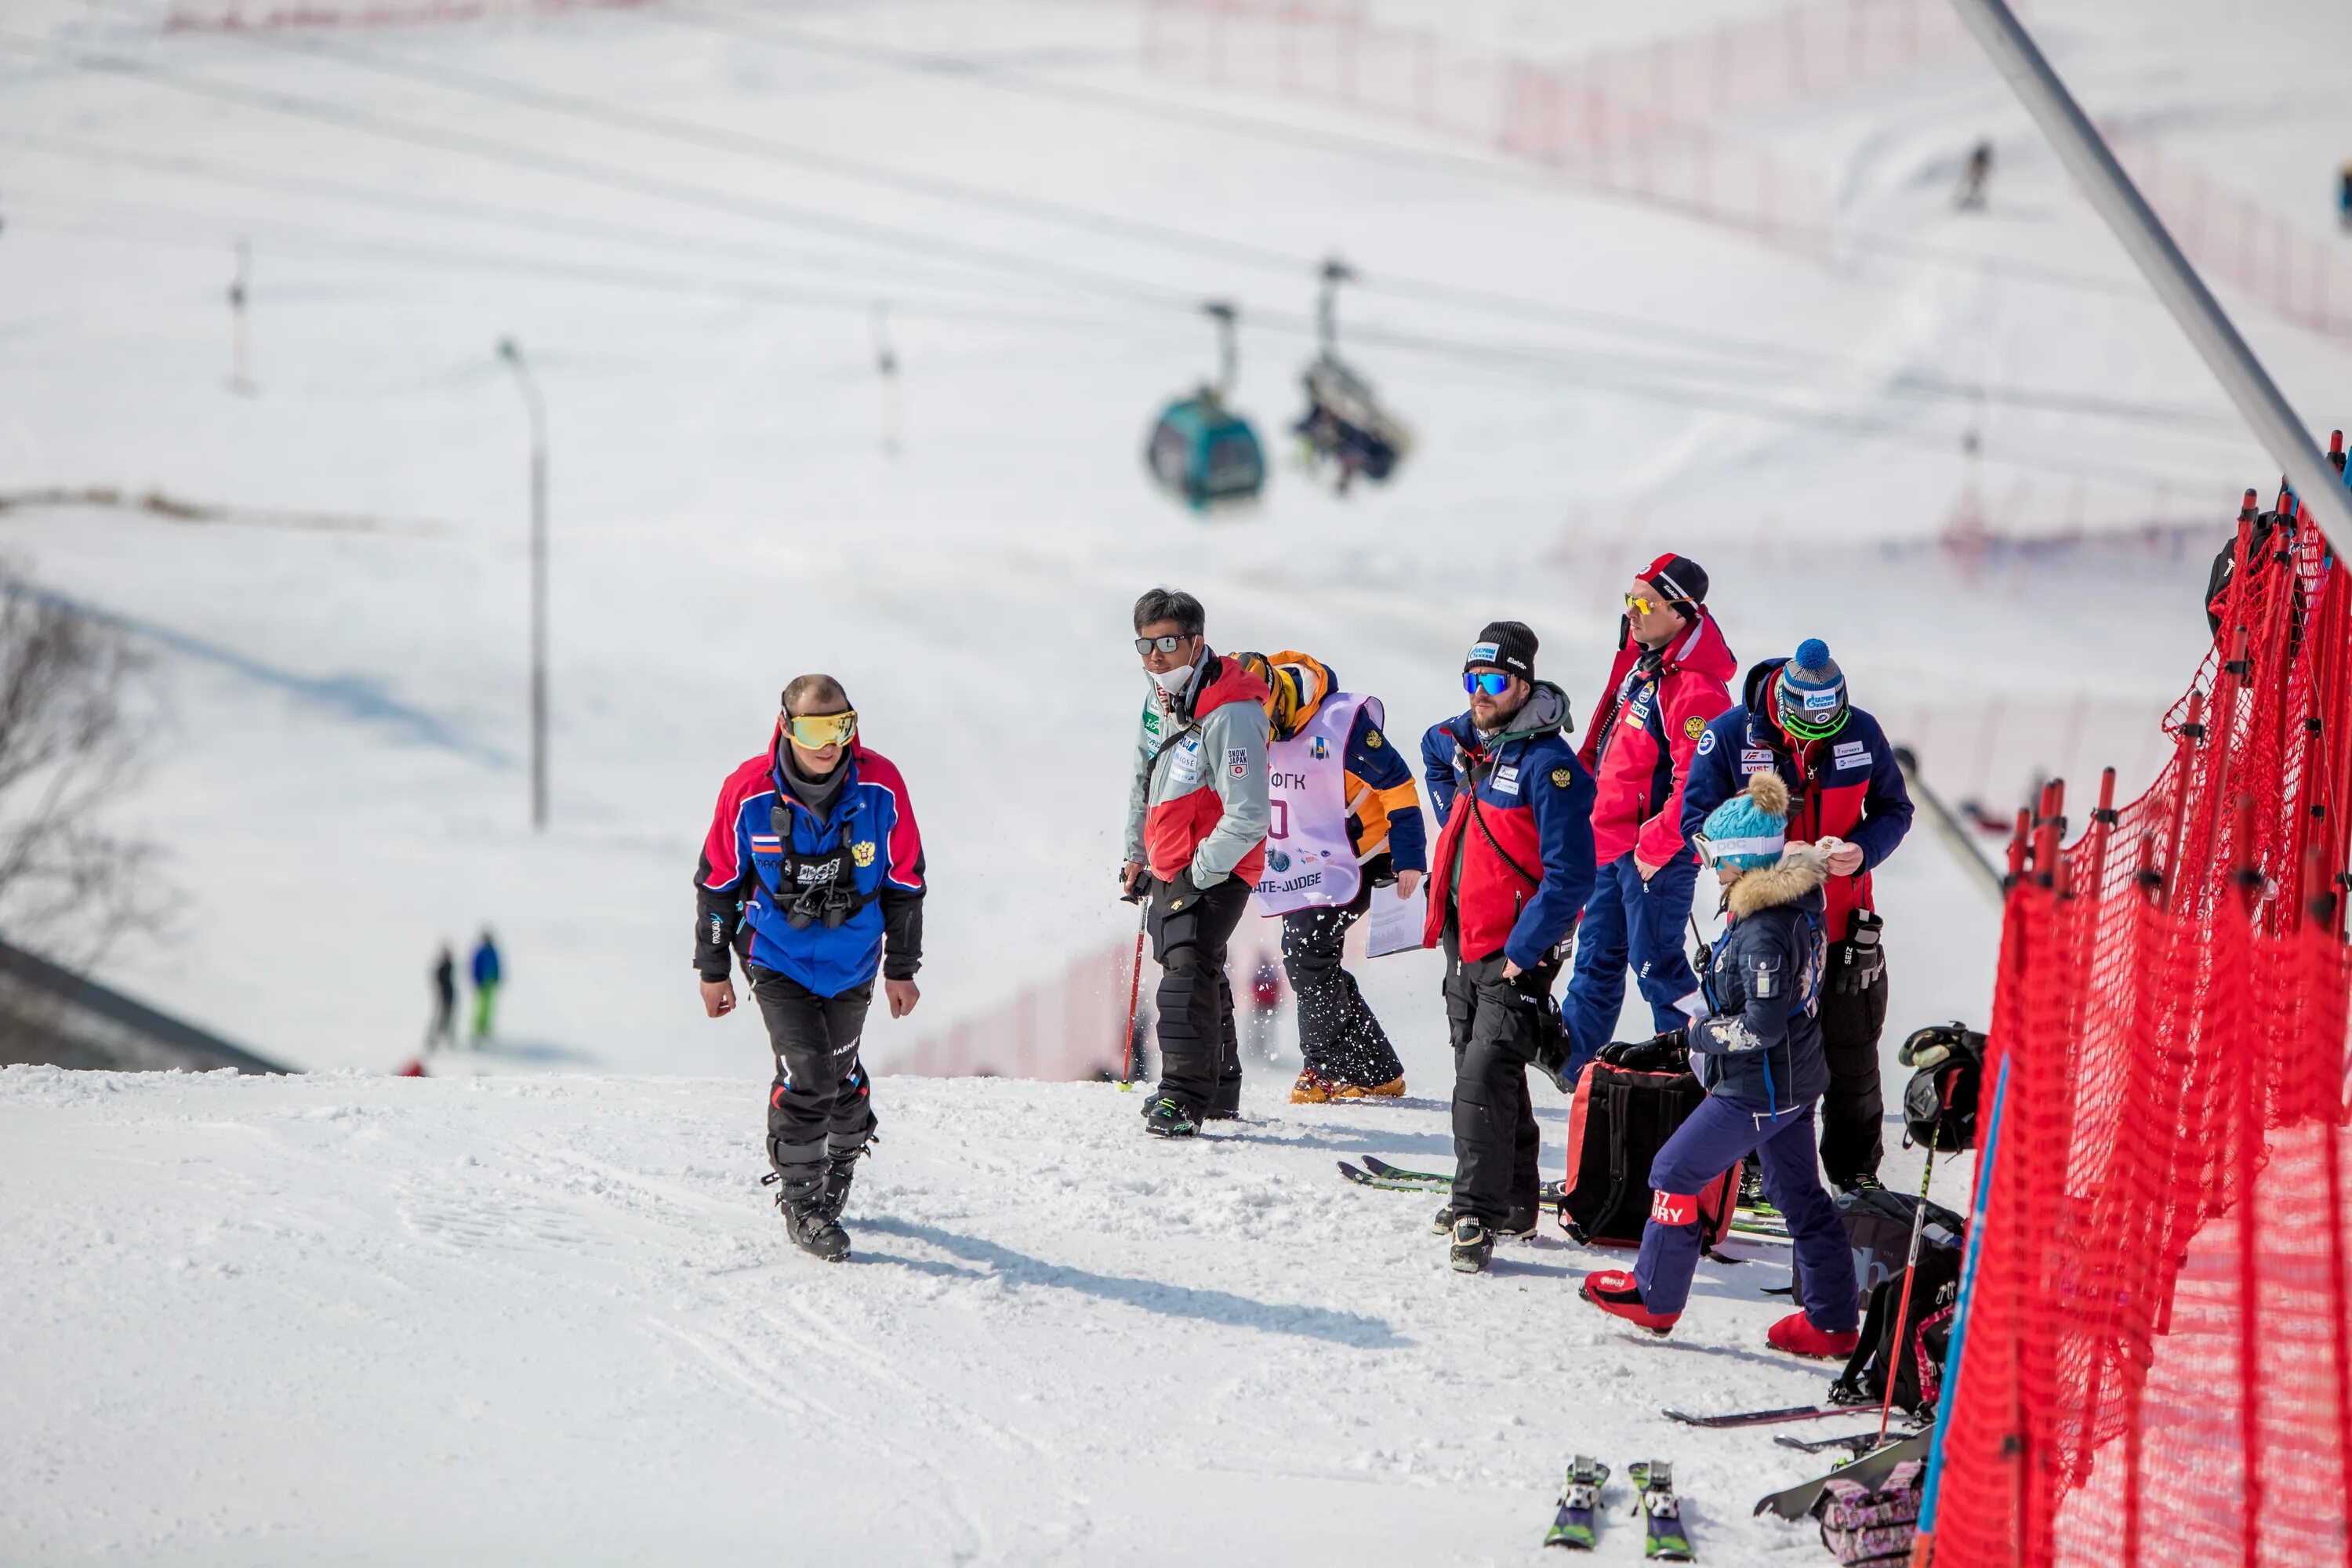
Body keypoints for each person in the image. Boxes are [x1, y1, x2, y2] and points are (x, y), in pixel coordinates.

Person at [1578, 771, 1860, 1356]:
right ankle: (1832, 1321)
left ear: (1740, 860)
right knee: (1800, 1194)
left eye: (1712, 855)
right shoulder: (1787, 903)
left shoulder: (1762, 930)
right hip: (1794, 1080)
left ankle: (1655, 1297)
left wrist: (1698, 1033)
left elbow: (1759, 1027)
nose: (1708, 866)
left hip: (1758, 1087)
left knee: (1673, 1173)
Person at [695, 673, 926, 1261]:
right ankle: (803, 1203)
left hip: (853, 959)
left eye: (842, 726)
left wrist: (902, 966)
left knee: (840, 1079)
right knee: (808, 1078)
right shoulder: (747, 791)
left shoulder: (882, 785)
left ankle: (844, 1152)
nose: (830, 743)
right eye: (815, 729)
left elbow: (905, 882)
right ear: (786, 727)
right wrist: (713, 967)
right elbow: (718, 884)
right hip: (776, 956)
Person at [1682, 639, 1913, 1192]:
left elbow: (1893, 809)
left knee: (1852, 1053)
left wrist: (1862, 850)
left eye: (1826, 724)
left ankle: (1855, 1173)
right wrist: (1766, 857)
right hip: (1765, 928)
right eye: (1804, 726)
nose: (1814, 736)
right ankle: (1757, 1171)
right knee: (1765, 1048)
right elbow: (1695, 820)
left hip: (1843, 921)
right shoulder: (1731, 734)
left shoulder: (1862, 732)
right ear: (1783, 703)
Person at [1419, 621, 1595, 1272]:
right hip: (1462, 936)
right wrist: (1452, 807)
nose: (1479, 694)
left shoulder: (1551, 767)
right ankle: (1516, 1198)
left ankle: (1476, 1213)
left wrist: (1526, 949)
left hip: (1515, 949)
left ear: (1524, 684)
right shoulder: (1476, 745)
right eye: (1472, 680)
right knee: (1483, 1064)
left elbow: (1573, 875)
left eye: (1493, 681)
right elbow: (1433, 744)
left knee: (1483, 1073)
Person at [1560, 554, 1736, 1082]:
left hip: (1652, 858)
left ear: (1682, 613)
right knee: (1594, 964)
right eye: (1628, 601)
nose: (1632, 614)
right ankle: (1571, 1072)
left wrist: (1656, 845)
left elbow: (1697, 783)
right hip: (1611, 847)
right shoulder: (1645, 668)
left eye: (1644, 604)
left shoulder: (1696, 688)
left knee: (1658, 964)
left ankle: (1701, 1067)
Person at [1232, 648, 1426, 1102]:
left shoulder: (1340, 721)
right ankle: (1375, 1071)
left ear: (1275, 699)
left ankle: (1326, 1066)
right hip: (1305, 860)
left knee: (1307, 953)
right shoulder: (1240, 721)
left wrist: (1409, 855)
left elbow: (1397, 782)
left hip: (1362, 854)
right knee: (1312, 958)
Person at [1120, 589, 1271, 1138]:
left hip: (1217, 866)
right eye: (1145, 644)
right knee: (1197, 965)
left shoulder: (1231, 710)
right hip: (1172, 862)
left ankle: (1182, 1098)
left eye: (1167, 643)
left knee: (1185, 968)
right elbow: (1144, 778)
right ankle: (1220, 1089)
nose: (1155, 656)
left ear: (1196, 643)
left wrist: (1199, 872)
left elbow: (1250, 813)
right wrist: (1138, 855)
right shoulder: (1158, 699)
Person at [469, 929, 501, 1044]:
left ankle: (485, 1027)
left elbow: (497, 965)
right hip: (481, 982)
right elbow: (474, 967)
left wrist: (497, 978)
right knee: (480, 1007)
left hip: (490, 981)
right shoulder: (480, 952)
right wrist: (476, 980)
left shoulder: (493, 951)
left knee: (489, 1006)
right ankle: (476, 1028)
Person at [426, 943, 456, 1053]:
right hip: (442, 995)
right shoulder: (440, 967)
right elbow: (436, 981)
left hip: (450, 995)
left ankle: (446, 1036)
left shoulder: (450, 965)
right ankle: (432, 1038)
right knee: (438, 1017)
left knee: (448, 1017)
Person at [1958, 140, 1993, 210]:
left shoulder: (1981, 159)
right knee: (1972, 186)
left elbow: (1983, 170)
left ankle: (1975, 202)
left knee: (1977, 187)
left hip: (1977, 172)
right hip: (1975, 172)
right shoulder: (1979, 159)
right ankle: (1968, 201)